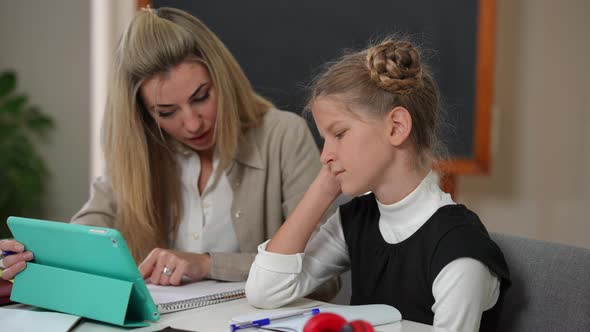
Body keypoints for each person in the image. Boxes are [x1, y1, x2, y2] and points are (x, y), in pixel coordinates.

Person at [0, 7, 338, 299]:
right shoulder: (138, 151)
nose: (192, 124)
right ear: (144, 115)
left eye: (201, 96)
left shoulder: (281, 134)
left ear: (223, 80)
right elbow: (88, 235)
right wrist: (32, 256)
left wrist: (206, 264)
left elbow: (323, 275)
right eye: (166, 112)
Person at [245, 38, 511, 332]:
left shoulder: (458, 253)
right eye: (324, 139)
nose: (325, 155)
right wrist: (323, 188)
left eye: (339, 134)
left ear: (396, 127)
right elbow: (264, 291)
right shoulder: (356, 220)